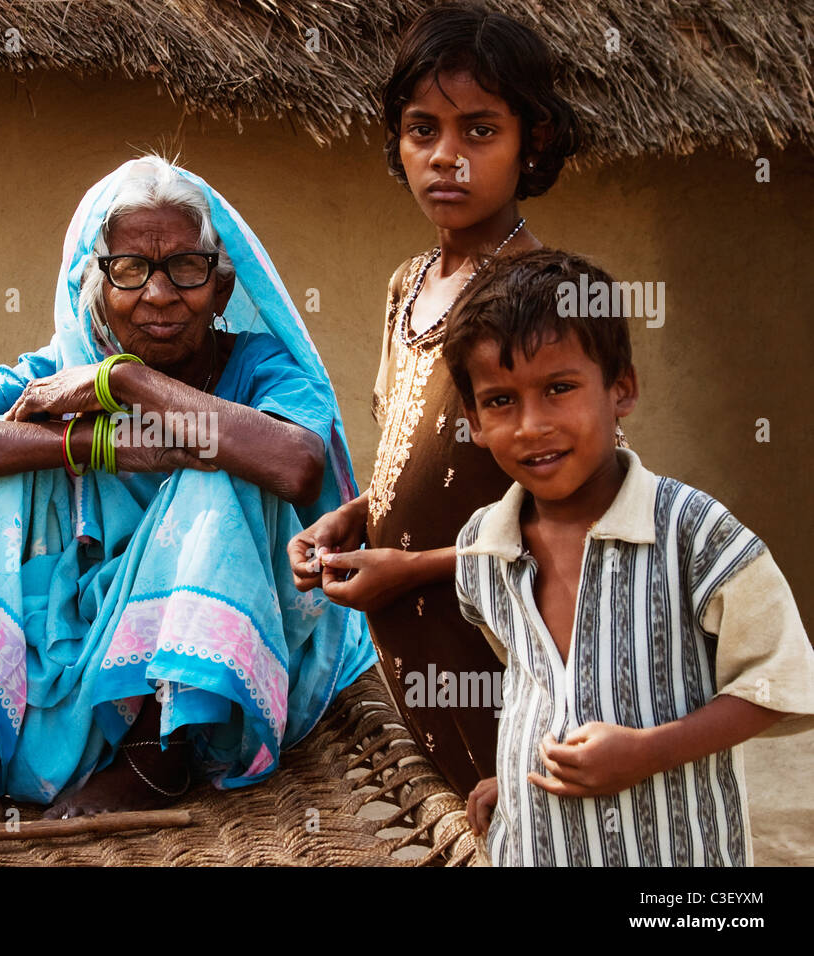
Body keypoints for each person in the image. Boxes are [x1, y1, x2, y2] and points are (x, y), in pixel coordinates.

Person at [0, 154, 376, 856]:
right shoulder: (59, 368)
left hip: (224, 671)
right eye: (129, 269)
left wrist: (126, 383)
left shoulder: (258, 367)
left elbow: (297, 465)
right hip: (79, 645)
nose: (159, 293)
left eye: (185, 267)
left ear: (222, 284)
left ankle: (154, 757)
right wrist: (93, 445)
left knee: (225, 463)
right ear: (95, 283)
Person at [289, 1, 581, 798]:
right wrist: (346, 524)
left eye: (479, 131)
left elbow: (578, 522)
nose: (446, 157)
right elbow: (414, 467)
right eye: (424, 131)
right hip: (417, 663)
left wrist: (412, 569)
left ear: (534, 142)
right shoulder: (405, 287)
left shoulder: (543, 300)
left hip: (508, 666)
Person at [444, 248, 814, 865]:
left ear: (622, 389)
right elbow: (534, 684)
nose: (531, 425)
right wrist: (509, 774)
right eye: (501, 401)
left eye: (559, 388)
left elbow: (781, 680)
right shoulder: (483, 547)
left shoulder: (695, 533)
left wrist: (651, 751)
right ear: (473, 419)